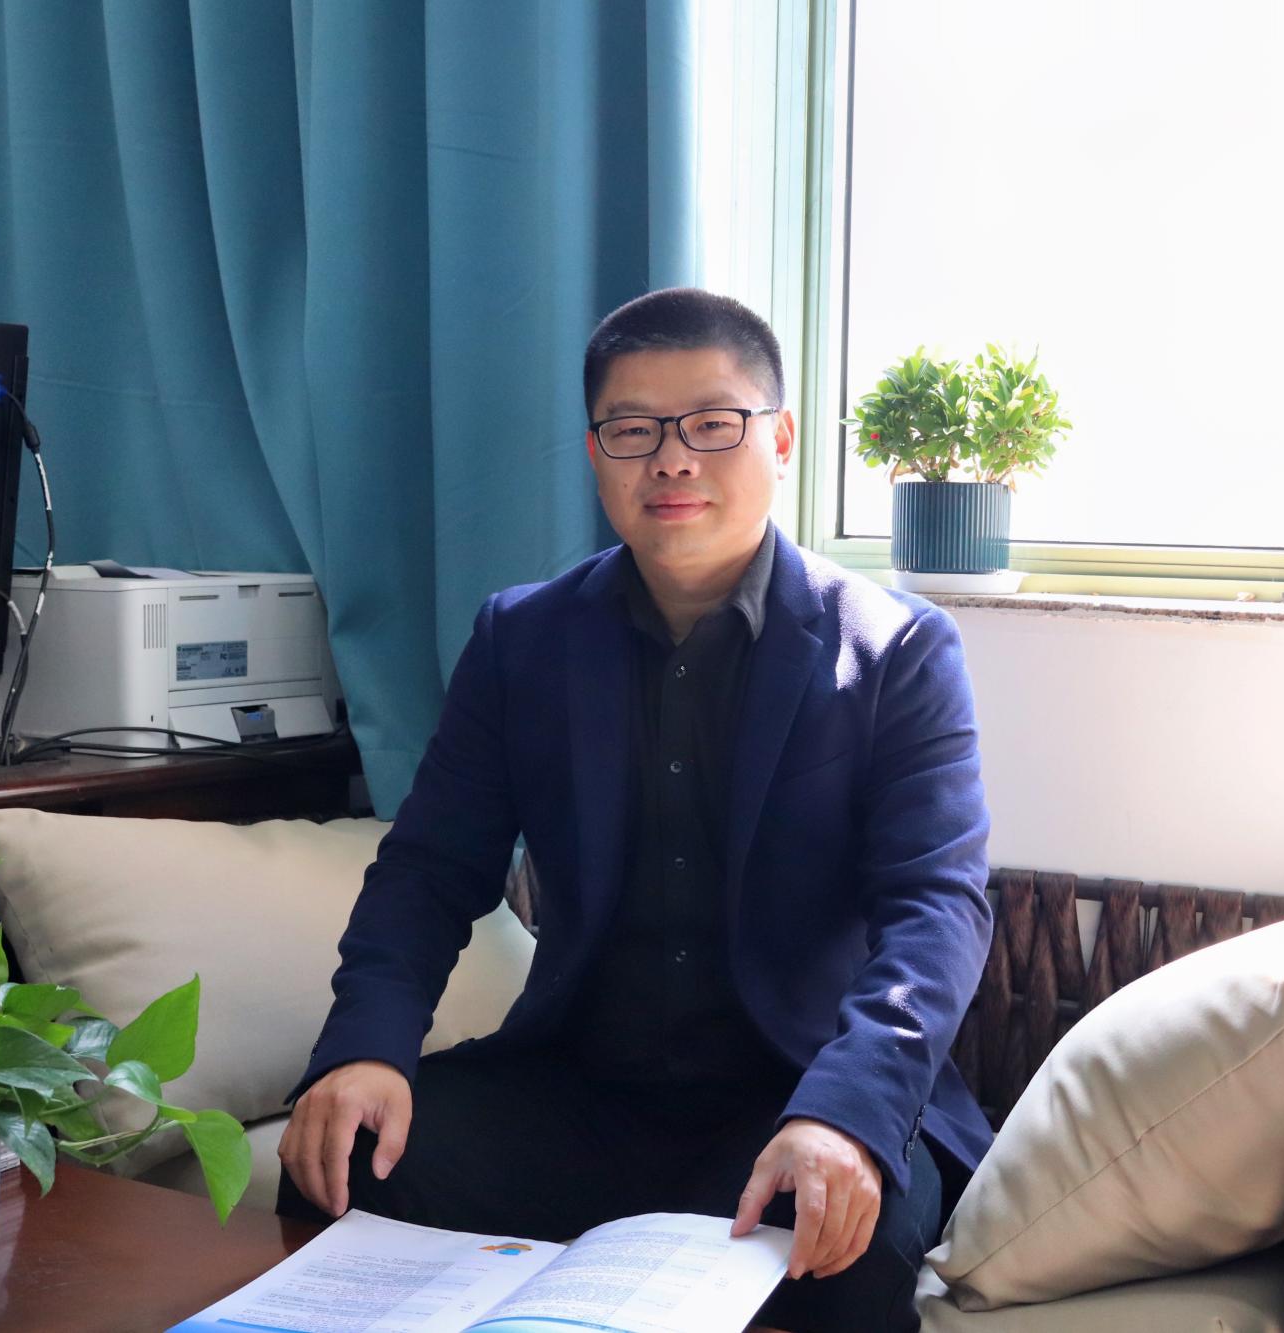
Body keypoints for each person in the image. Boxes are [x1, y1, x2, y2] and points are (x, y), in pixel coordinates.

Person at [278, 288, 992, 1332]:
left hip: (799, 1091)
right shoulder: (522, 641)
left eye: (713, 423)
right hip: (581, 1087)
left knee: (837, 1250)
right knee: (338, 1162)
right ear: (595, 450)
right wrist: (365, 1049)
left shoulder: (896, 651)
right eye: (634, 429)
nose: (672, 459)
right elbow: (428, 870)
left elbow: (936, 909)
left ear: (780, 438)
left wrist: (847, 1113)